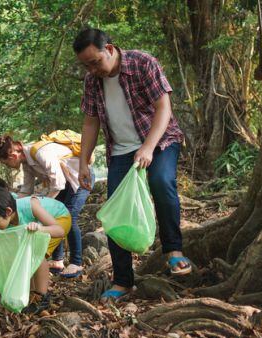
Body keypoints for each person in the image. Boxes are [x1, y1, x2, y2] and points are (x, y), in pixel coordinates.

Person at [73, 27, 191, 302]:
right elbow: (91, 123)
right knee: (115, 210)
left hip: (160, 140)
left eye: (95, 62)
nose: (92, 70)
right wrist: (83, 163)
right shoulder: (92, 82)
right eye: (86, 65)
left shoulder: (142, 63)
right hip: (121, 152)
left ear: (110, 50)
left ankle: (174, 252)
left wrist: (148, 147)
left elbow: (164, 108)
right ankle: (123, 280)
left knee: (161, 181)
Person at [0, 135, 93, 278]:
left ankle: (76, 263)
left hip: (80, 178)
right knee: (52, 217)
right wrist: (9, 207)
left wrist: (42, 207)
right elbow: (26, 190)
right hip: (65, 184)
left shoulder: (41, 153)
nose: (7, 166)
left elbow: (58, 183)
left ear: (13, 155)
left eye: (5, 163)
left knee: (70, 216)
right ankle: (58, 261)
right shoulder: (27, 163)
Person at [0, 187, 71, 314]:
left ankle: (42, 298)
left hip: (59, 219)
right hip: (38, 227)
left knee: (35, 255)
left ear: (8, 211)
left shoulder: (30, 206)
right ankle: (32, 295)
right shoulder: (0, 223)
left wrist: (40, 229)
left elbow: (59, 231)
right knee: (25, 255)